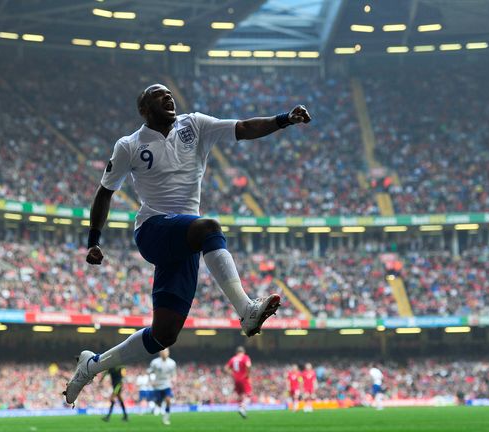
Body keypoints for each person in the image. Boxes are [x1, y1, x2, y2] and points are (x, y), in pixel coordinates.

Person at [64, 83, 311, 405]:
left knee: (164, 334)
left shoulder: (194, 125)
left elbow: (244, 127)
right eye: (158, 95)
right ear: (144, 109)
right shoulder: (129, 145)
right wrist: (93, 241)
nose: (168, 97)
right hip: (153, 229)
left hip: (184, 239)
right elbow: (104, 192)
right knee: (209, 227)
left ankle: (92, 365)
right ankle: (246, 308)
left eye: (169, 94)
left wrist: (284, 119)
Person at [148, 349, 177, 425]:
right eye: (162, 351)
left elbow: (174, 374)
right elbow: (150, 372)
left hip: (167, 384)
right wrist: (152, 380)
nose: (164, 353)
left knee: (168, 400)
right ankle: (157, 407)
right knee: (159, 403)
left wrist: (174, 379)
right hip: (157, 385)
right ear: (159, 353)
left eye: (166, 351)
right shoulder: (154, 362)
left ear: (168, 353)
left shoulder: (172, 363)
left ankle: (166, 418)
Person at [225, 346, 252, 419]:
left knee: (240, 395)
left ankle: (241, 409)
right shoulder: (245, 357)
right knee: (249, 394)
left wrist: (233, 374)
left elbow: (226, 368)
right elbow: (248, 365)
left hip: (236, 379)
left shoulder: (233, 359)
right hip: (244, 378)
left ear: (236, 352)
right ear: (243, 352)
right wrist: (248, 374)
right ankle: (242, 408)